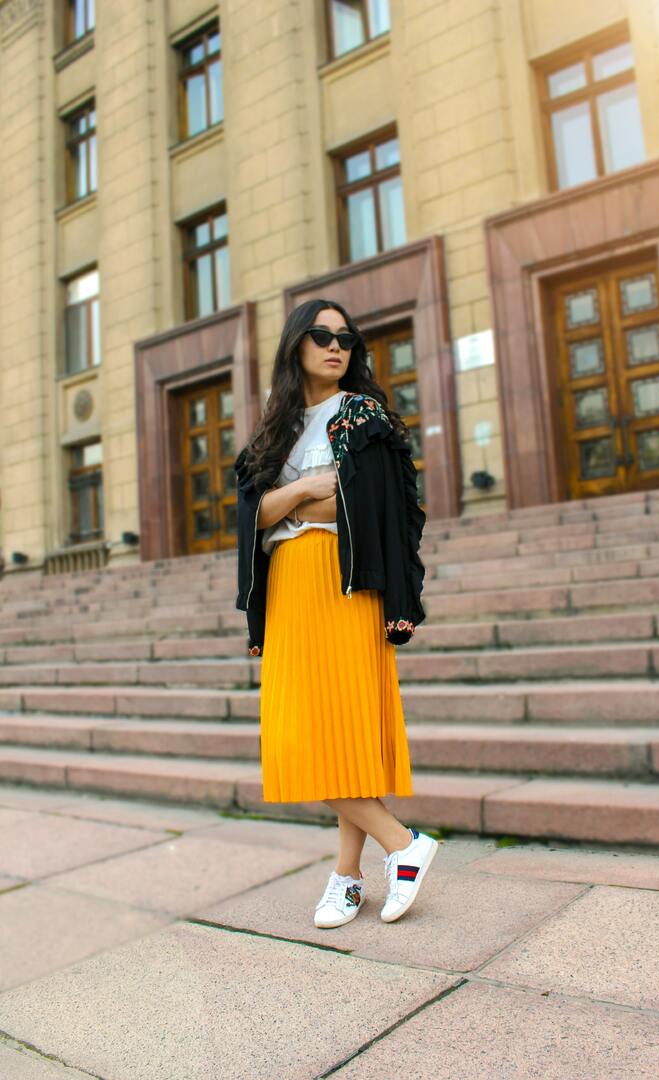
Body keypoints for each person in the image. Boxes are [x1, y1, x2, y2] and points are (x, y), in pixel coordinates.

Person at [234, 298, 438, 929]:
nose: (335, 347)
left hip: (344, 582)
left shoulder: (363, 417)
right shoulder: (275, 431)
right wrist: (301, 490)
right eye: (321, 336)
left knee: (337, 735)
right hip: (288, 589)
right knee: (300, 734)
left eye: (345, 339)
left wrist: (283, 506)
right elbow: (250, 517)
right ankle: (375, 861)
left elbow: (368, 507)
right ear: (295, 344)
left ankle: (385, 856)